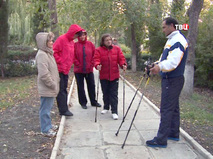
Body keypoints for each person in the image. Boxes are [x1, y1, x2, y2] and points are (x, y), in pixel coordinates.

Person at [146, 17, 188, 148]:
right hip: (172, 79)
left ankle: (161, 139)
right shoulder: (172, 40)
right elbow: (165, 59)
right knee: (173, 108)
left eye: (164, 27)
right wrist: (156, 64)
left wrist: (160, 67)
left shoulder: (178, 40)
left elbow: (173, 62)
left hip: (173, 79)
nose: (163, 30)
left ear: (171, 26)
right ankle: (173, 133)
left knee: (166, 109)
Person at [94, 34, 127, 120]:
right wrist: (97, 65)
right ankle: (106, 107)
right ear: (103, 42)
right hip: (104, 75)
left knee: (114, 94)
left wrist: (123, 64)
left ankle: (114, 111)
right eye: (106, 40)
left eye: (110, 40)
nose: (109, 41)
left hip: (114, 75)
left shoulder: (117, 49)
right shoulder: (99, 50)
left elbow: (121, 58)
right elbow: (96, 60)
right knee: (105, 92)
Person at [53, 24, 83, 116]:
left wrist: (75, 63)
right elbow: (54, 52)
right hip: (59, 69)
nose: (76, 37)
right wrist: (60, 62)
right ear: (72, 33)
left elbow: (71, 55)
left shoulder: (72, 43)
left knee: (64, 89)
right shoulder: (61, 39)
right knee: (61, 90)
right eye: (75, 35)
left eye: (77, 36)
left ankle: (64, 108)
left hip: (66, 69)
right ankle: (63, 110)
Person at [35, 32, 60, 137]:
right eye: (49, 41)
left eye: (51, 40)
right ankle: (45, 129)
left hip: (50, 87)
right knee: (45, 109)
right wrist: (52, 84)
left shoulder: (48, 53)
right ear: (43, 43)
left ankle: (48, 125)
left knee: (48, 108)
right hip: (47, 88)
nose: (52, 42)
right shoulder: (42, 55)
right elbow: (44, 74)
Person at [74, 30, 101, 109]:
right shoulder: (75, 45)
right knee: (80, 87)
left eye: (84, 35)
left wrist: (92, 64)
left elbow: (94, 55)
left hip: (89, 69)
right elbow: (73, 56)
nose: (82, 37)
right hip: (79, 70)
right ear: (78, 37)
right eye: (81, 35)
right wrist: (77, 64)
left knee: (91, 85)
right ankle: (83, 102)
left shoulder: (90, 44)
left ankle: (93, 101)